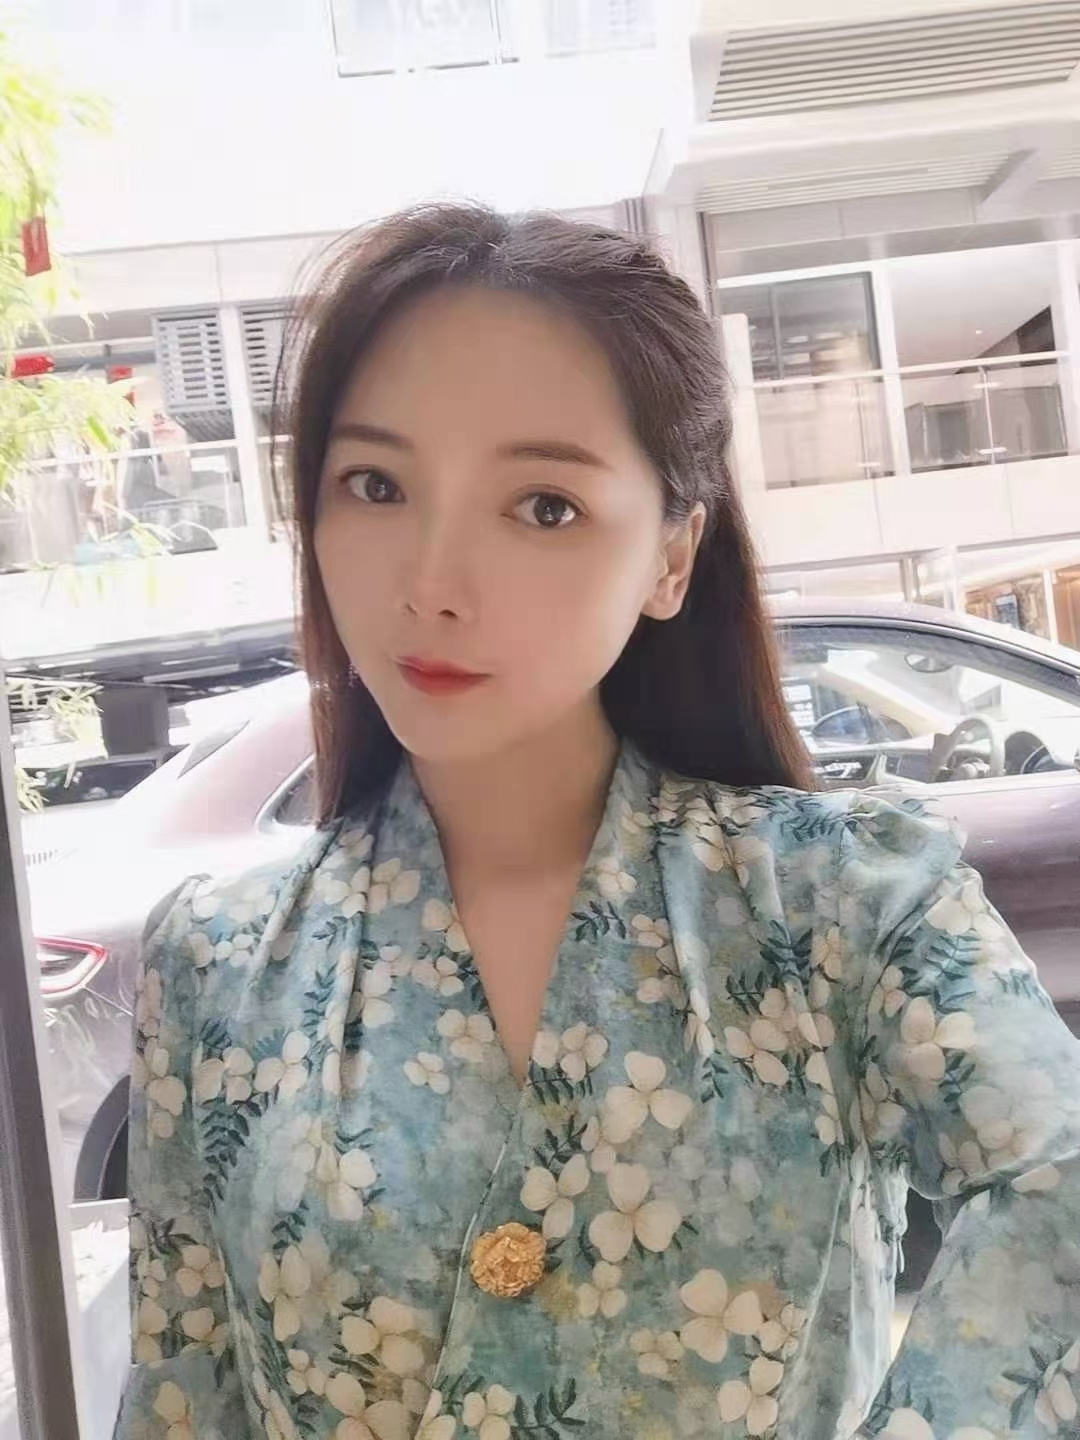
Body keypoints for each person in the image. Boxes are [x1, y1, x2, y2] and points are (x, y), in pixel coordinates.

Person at [112, 206, 1080, 1440]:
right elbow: (184, 1397)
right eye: (376, 485)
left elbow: (1058, 1183)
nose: (432, 584)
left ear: (672, 555)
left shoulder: (839, 906)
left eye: (544, 506)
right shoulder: (219, 965)